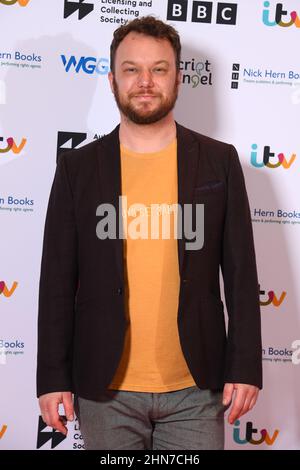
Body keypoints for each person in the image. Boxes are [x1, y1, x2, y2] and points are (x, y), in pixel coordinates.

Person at [37, 15, 262, 450]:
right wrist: (51, 377)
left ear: (178, 78)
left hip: (197, 388)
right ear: (111, 79)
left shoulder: (219, 162)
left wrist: (246, 368)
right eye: (131, 69)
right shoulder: (78, 170)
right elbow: (56, 283)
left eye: (158, 69)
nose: (145, 81)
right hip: (106, 391)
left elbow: (240, 276)